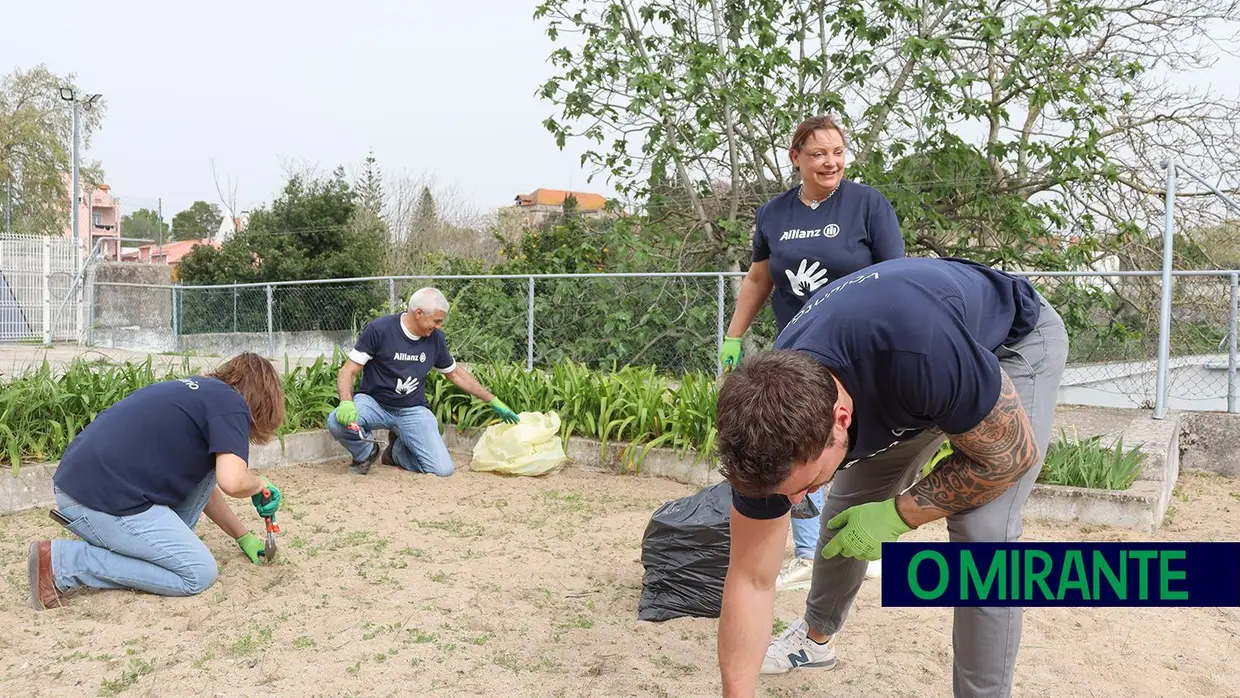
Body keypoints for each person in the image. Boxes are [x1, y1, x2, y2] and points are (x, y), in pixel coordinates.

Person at [713, 256, 1069, 698]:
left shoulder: (917, 351)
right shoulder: (766, 428)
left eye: (806, 486)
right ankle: (815, 638)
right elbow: (750, 579)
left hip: (1008, 343)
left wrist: (900, 514)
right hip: (911, 381)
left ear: (839, 419)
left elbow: (1009, 457)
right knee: (848, 509)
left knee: (983, 536)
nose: (801, 498)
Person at [719, 113, 905, 590]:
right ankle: (807, 551)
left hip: (863, 349)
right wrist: (735, 335)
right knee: (799, 446)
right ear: (795, 158)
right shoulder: (774, 214)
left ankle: (866, 544)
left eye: (838, 152)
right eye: (819, 153)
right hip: (800, 353)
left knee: (864, 443)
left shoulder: (868, 205)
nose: (831, 162)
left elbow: (898, 279)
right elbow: (760, 278)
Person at [27, 352, 287, 610]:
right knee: (198, 572)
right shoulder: (232, 406)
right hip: (96, 499)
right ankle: (63, 563)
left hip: (87, 483)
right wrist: (260, 484)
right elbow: (232, 481)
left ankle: (154, 551)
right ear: (263, 403)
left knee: (207, 470)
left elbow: (206, 487)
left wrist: (243, 537)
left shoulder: (202, 393)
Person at [326, 286, 520, 476]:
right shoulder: (380, 329)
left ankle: (396, 452)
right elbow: (348, 371)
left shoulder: (436, 339)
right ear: (419, 313)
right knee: (336, 421)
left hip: (413, 410)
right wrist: (346, 401)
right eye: (436, 321)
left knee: (442, 470)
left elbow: (455, 374)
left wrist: (492, 400)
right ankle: (366, 453)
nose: (438, 326)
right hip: (374, 404)